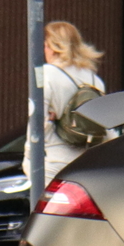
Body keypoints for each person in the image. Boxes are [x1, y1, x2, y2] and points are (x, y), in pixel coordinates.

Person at [37, 21, 107, 174]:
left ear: (54, 47)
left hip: (55, 159)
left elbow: (37, 121)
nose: (44, 51)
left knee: (49, 198)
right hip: (88, 161)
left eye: (46, 46)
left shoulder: (46, 74)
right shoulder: (95, 79)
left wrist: (30, 158)